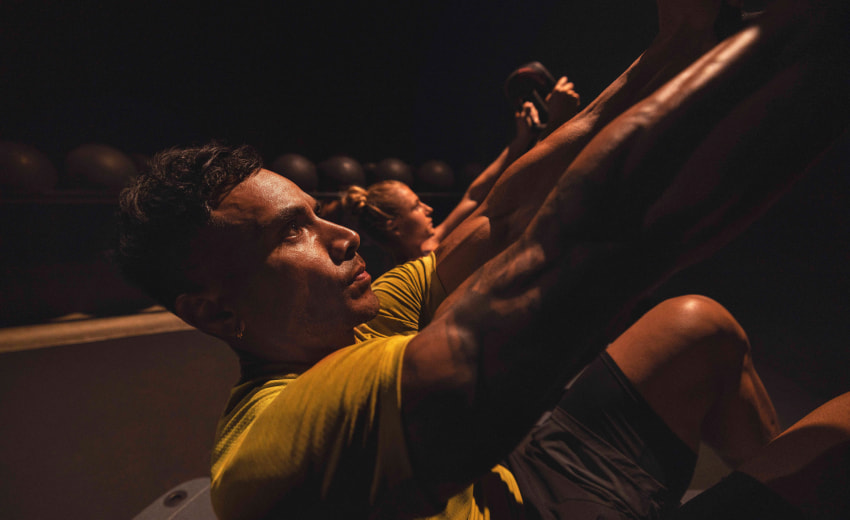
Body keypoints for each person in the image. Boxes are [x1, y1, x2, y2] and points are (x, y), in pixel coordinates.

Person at [113, 0, 849, 519]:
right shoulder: (271, 448)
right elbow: (589, 243)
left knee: (696, 324)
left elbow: (502, 217)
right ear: (215, 311)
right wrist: (799, 35)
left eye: (317, 214)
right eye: (289, 235)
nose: (344, 237)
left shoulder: (360, 319)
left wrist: (674, 48)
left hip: (523, 482)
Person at [337, 79, 581, 269]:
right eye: (416, 206)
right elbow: (503, 201)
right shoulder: (433, 260)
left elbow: (473, 195)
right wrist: (555, 123)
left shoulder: (431, 245)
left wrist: (520, 141)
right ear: (395, 226)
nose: (429, 208)